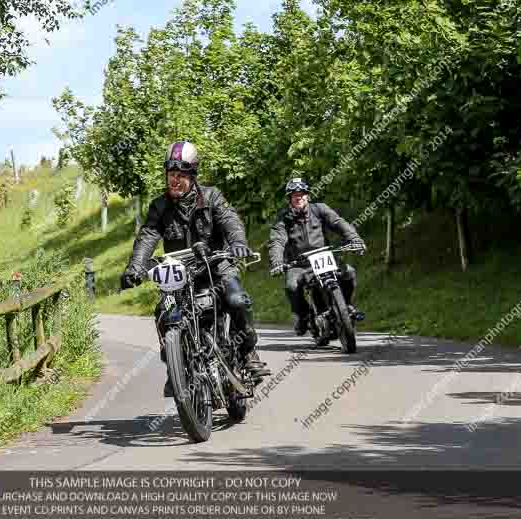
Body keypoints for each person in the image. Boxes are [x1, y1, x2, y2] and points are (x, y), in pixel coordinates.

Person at [120, 140, 272, 397]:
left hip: (216, 264)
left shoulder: (212, 197)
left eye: (181, 175)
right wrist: (135, 267)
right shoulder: (160, 206)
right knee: (163, 313)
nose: (174, 180)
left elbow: (230, 220)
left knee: (237, 301)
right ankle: (176, 369)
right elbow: (147, 235)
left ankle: (247, 354)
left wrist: (238, 244)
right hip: (179, 271)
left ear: (192, 175)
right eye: (171, 175)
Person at [268, 172, 367, 337]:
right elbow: (277, 241)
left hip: (324, 257)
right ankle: (303, 315)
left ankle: (346, 305)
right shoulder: (284, 218)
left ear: (307, 196)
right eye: (294, 196)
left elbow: (338, 223)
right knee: (291, 286)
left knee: (349, 272)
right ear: (289, 199)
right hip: (299, 263)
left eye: (301, 195)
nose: (298, 198)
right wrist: (277, 261)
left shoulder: (320, 209)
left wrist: (355, 239)